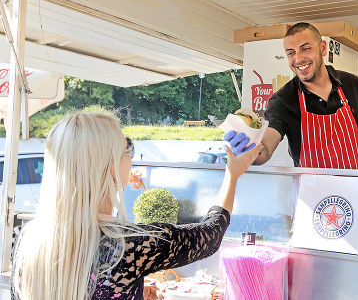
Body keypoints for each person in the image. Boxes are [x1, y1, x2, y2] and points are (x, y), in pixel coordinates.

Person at [11, 112, 260, 300]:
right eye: (126, 148)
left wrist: (132, 289)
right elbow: (210, 234)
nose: (131, 157)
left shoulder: (30, 239)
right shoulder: (129, 245)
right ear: (108, 166)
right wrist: (232, 175)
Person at [226, 22, 358, 170]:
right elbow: (267, 146)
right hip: (313, 200)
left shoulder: (352, 84)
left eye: (305, 49)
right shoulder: (283, 100)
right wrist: (250, 150)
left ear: (322, 48)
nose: (298, 59)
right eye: (291, 52)